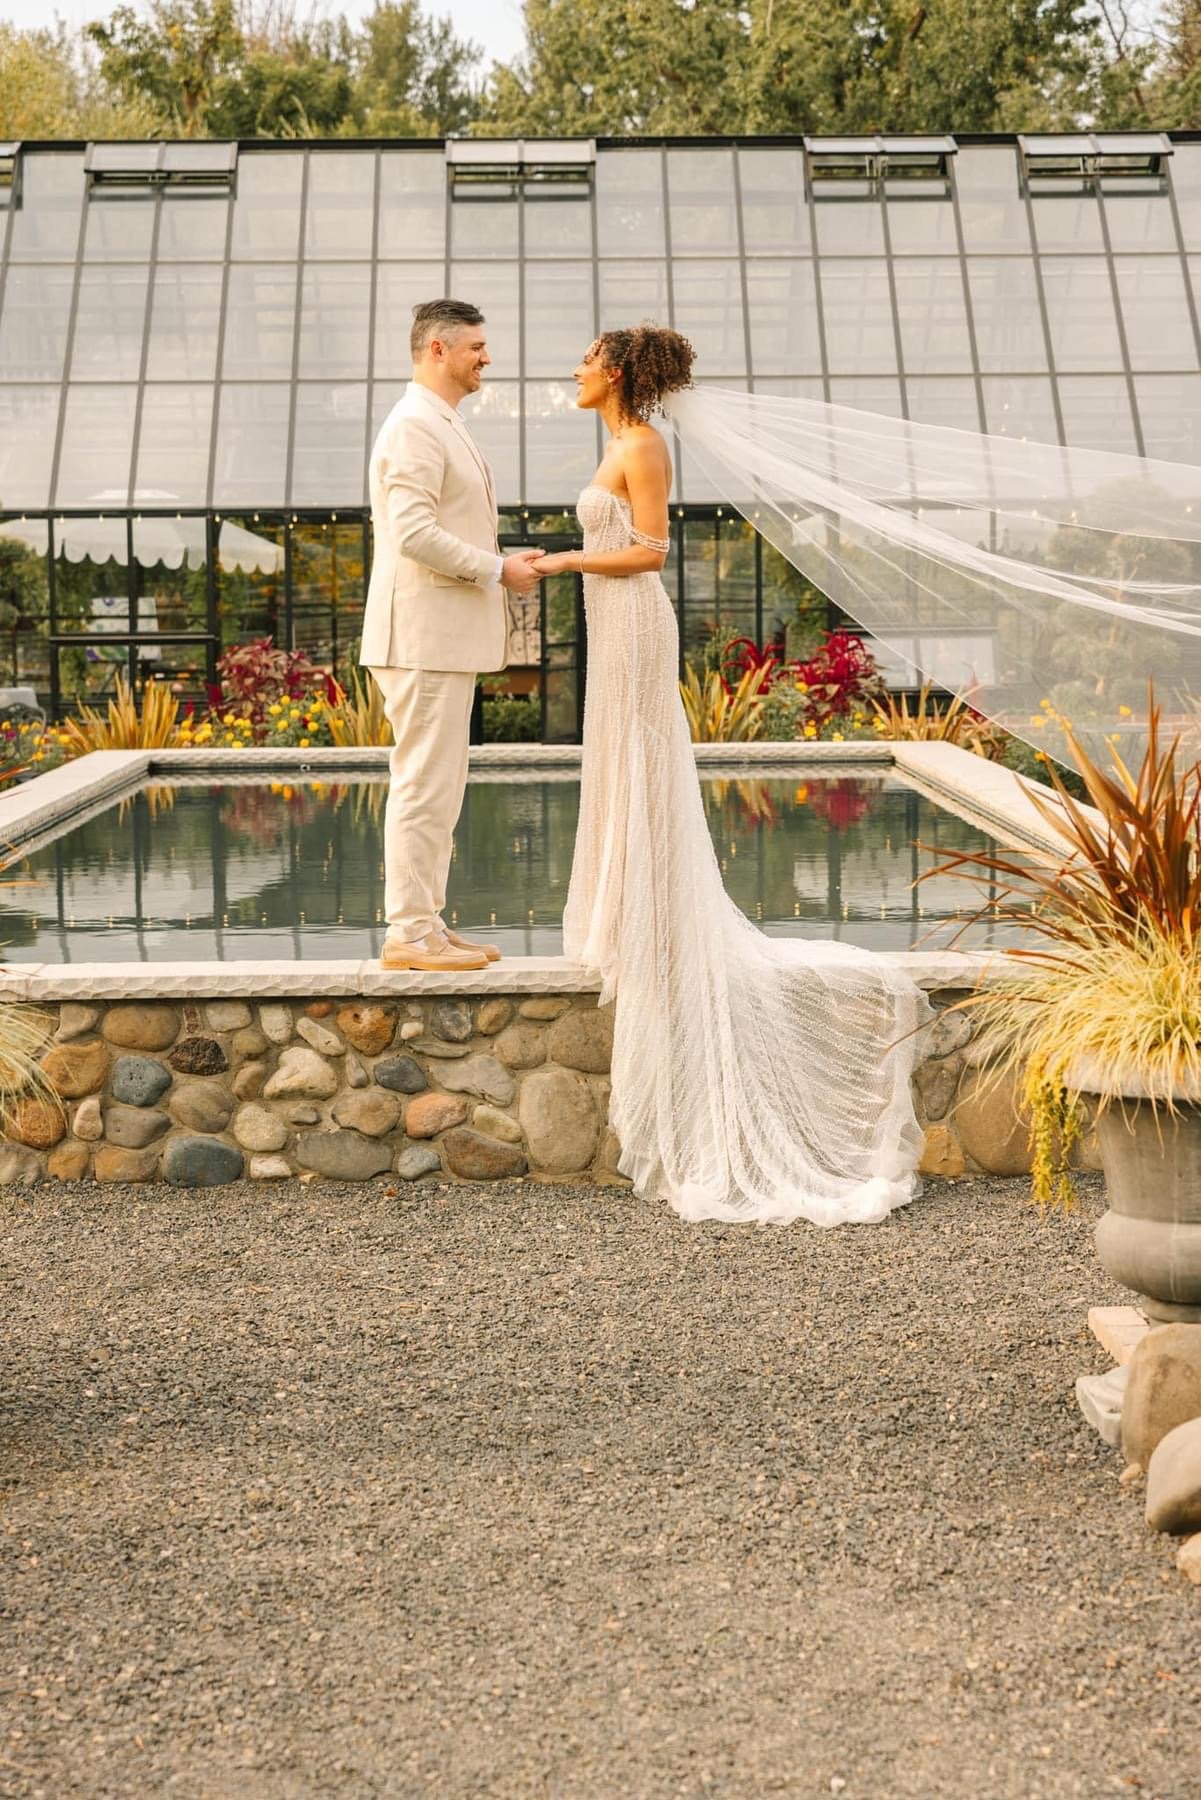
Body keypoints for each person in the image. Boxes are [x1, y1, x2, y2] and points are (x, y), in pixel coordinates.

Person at [529, 328, 931, 1226]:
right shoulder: (613, 442)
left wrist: (562, 560)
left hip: (632, 617)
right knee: (617, 756)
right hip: (612, 618)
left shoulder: (641, 445)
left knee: (639, 751)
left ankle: (653, 914)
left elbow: (650, 551)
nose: (575, 370)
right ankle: (624, 903)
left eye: (588, 360)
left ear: (620, 375)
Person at [361, 298, 543, 972]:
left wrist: (499, 564)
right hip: (420, 638)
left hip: (436, 638)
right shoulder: (414, 426)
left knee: (438, 790)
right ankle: (409, 937)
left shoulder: (438, 422)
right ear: (437, 350)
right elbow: (411, 535)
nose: (485, 358)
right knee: (423, 788)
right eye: (475, 347)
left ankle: (426, 926)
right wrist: (499, 570)